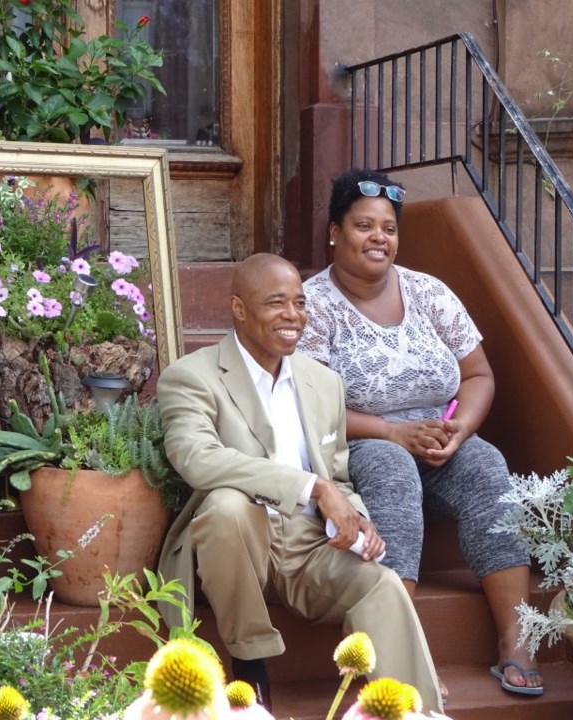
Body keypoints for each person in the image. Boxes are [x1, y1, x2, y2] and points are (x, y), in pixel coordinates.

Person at [155, 253, 444, 713]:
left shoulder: (323, 382)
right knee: (228, 505)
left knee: (382, 584)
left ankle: (419, 712)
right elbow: (198, 460)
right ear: (239, 308)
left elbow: (339, 476)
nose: (293, 316)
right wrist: (312, 487)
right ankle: (249, 665)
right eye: (276, 303)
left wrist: (357, 520)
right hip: (237, 547)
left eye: (300, 303)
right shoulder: (191, 376)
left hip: (311, 547)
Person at [296, 169, 545, 697]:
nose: (378, 237)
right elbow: (304, 403)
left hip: (438, 438)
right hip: (357, 440)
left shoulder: (429, 292)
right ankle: (400, 655)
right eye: (364, 225)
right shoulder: (312, 305)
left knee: (485, 466)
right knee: (389, 472)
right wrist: (390, 431)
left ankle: (517, 642)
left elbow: (478, 374)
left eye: (388, 227)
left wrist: (461, 428)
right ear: (334, 231)